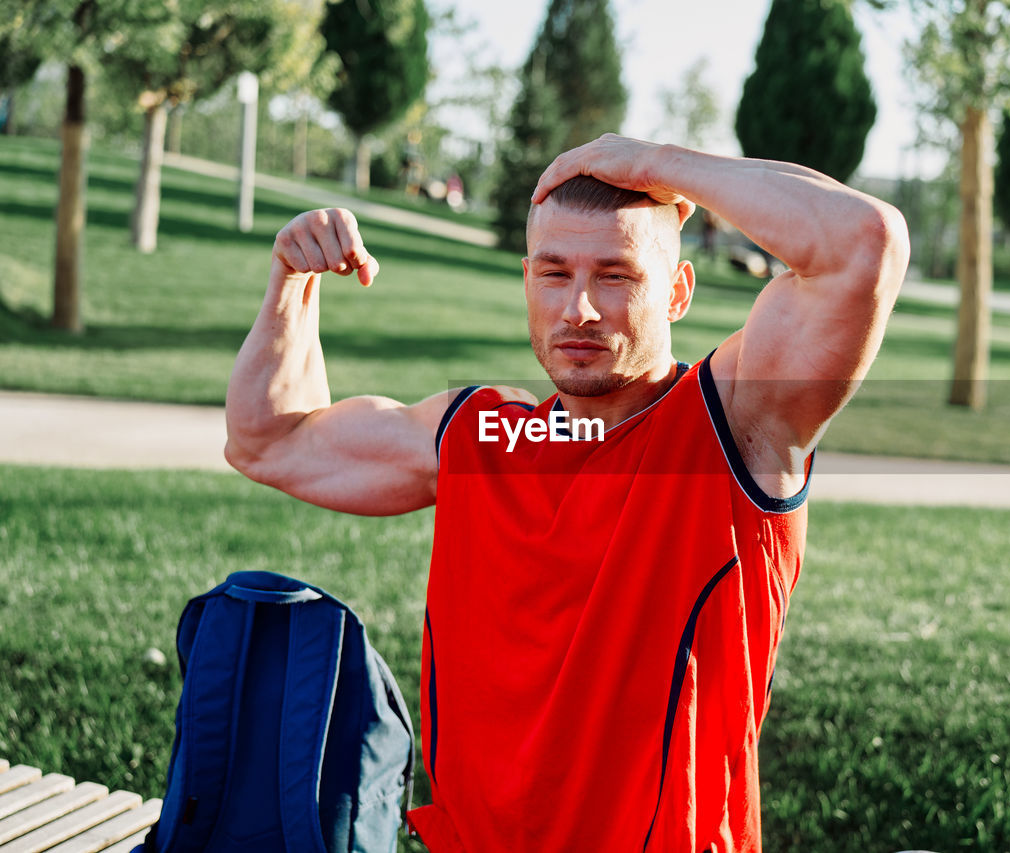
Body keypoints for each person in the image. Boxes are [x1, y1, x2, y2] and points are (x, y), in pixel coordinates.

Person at [224, 134, 909, 852]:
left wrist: (651, 165)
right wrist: (290, 286)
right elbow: (267, 439)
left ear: (676, 292)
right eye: (555, 273)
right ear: (527, 280)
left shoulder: (734, 426)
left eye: (615, 275)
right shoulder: (477, 433)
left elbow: (865, 243)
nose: (579, 307)